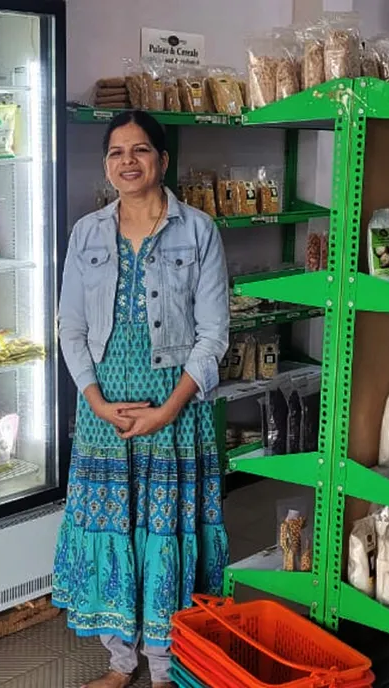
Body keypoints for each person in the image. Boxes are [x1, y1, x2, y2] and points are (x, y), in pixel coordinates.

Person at [53, 109, 230, 688]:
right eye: (116, 153)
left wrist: (170, 407)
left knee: (163, 531)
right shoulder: (87, 233)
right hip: (105, 409)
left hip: (173, 410)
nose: (127, 162)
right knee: (115, 526)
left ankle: (165, 663)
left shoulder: (198, 230)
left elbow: (214, 336)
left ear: (162, 159)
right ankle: (119, 661)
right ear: (107, 165)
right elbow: (70, 326)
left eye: (140, 150)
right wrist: (97, 401)